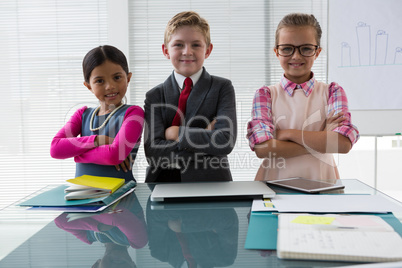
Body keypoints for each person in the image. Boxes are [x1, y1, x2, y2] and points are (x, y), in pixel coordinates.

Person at [247, 13, 359, 181]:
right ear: (276, 52)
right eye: (287, 48)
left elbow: (343, 144)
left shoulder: (332, 92)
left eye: (306, 48)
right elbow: (262, 149)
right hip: (273, 186)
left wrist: (287, 133)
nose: (296, 56)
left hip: (323, 183)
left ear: (317, 52)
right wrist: (322, 140)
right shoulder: (265, 95)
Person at [144, 11, 237, 182]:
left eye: (196, 45)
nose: (187, 52)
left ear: (208, 50)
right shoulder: (154, 96)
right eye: (178, 45)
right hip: (163, 183)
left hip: (212, 184)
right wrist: (205, 135)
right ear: (166, 51)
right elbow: (153, 153)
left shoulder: (222, 88)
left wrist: (176, 133)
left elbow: (224, 141)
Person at [50, 45, 144, 182]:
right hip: (82, 196)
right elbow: (55, 149)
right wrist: (99, 140)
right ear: (88, 86)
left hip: (122, 196)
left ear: (128, 78)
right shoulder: (82, 115)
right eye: (100, 81)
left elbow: (114, 155)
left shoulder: (133, 114)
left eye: (117, 77)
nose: (110, 86)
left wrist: (77, 154)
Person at [54, 193, 148, 268]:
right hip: (117, 174)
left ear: (95, 266)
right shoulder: (138, 241)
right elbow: (117, 216)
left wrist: (99, 226)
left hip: (87, 180)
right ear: (133, 265)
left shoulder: (87, 237)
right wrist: (82, 210)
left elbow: (59, 219)